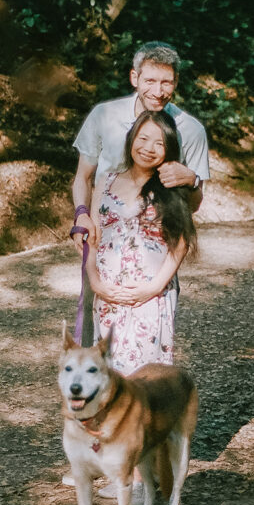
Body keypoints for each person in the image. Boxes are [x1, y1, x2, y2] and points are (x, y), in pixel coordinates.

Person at [70, 41, 210, 344]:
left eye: (166, 82)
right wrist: (82, 214)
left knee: (147, 337)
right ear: (134, 77)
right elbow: (83, 177)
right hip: (104, 242)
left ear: (175, 83)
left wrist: (192, 180)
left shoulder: (191, 130)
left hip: (153, 252)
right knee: (94, 334)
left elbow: (194, 206)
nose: (158, 91)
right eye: (149, 80)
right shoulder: (104, 116)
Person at [86, 109, 197, 373]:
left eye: (159, 143)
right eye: (143, 138)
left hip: (150, 297)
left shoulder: (169, 186)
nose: (149, 148)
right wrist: (95, 282)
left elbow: (181, 243)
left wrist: (153, 288)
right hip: (108, 295)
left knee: (144, 379)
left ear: (169, 149)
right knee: (106, 376)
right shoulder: (106, 181)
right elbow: (93, 238)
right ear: (131, 138)